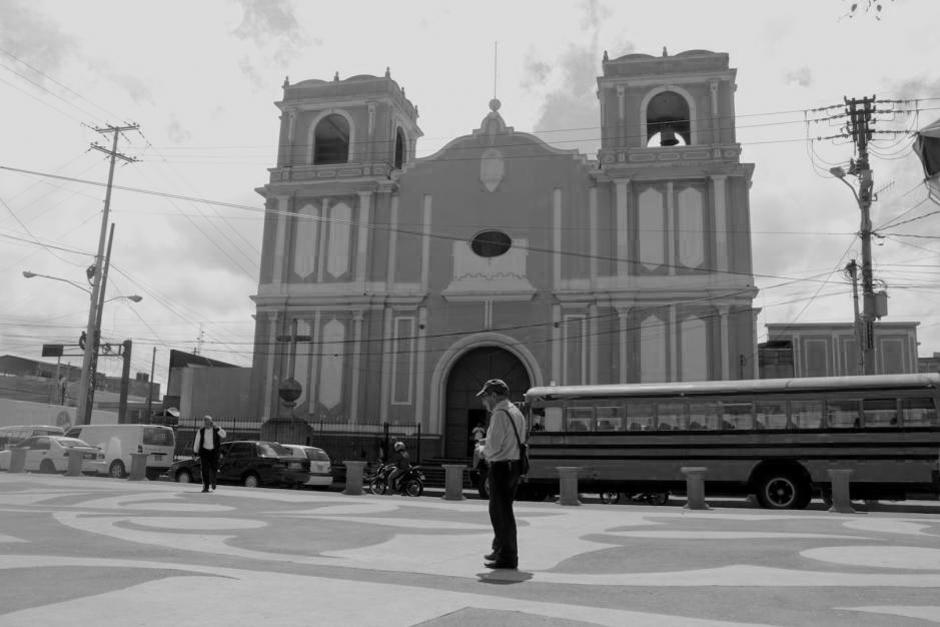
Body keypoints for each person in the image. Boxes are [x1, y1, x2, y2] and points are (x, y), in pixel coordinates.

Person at [474, 378, 525, 570]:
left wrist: (481, 450)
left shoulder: (499, 414)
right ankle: (499, 549)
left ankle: (507, 557)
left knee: (500, 513)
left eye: (486, 397)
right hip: (514, 466)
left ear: (494, 395)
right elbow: (511, 438)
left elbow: (494, 448)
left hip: (501, 467)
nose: (484, 401)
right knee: (503, 511)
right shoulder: (515, 411)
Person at [193, 415, 226, 492]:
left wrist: (218, 428)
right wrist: (195, 452)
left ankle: (213, 482)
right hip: (204, 452)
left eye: (208, 422)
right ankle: (206, 487)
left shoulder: (216, 429)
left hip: (214, 452)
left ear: (211, 422)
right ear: (203, 423)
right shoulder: (201, 431)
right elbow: (197, 442)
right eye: (205, 423)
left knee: (213, 469)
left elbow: (224, 435)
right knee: (204, 470)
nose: (207, 424)